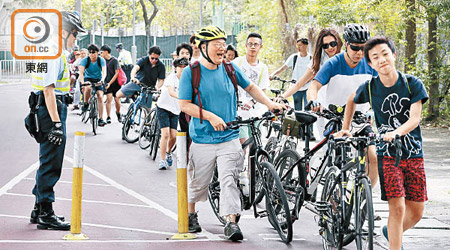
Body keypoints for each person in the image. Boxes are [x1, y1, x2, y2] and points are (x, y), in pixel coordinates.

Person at [178, 26, 284, 241]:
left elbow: (252, 88)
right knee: (199, 183)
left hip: (229, 136)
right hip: (203, 138)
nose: (222, 48)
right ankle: (191, 214)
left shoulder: (230, 68)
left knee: (230, 180)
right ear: (203, 47)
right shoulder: (192, 71)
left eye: (223, 44)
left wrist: (270, 103)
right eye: (217, 44)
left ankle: (231, 222)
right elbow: (184, 105)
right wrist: (209, 116)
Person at [335, 36, 428, 250]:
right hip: (387, 154)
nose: (381, 60)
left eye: (385, 54)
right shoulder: (369, 87)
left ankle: (389, 232)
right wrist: (346, 127)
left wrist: (397, 132)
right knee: (397, 207)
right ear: (370, 63)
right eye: (375, 57)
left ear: (393, 56)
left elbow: (415, 118)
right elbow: (351, 99)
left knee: (416, 212)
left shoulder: (412, 83)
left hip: (414, 153)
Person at [28, 11, 86, 230]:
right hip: (49, 110)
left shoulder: (51, 50)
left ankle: (38, 208)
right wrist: (57, 124)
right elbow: (48, 90)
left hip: (45, 108)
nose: (75, 40)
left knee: (47, 159)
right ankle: (46, 212)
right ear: (63, 32)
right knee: (51, 162)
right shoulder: (52, 52)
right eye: (74, 35)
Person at [307, 23, 379, 187]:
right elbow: (314, 86)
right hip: (336, 119)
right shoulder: (334, 63)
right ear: (346, 44)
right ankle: (334, 201)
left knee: (373, 158)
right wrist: (313, 100)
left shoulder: (370, 64)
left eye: (364, 48)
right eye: (355, 48)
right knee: (338, 163)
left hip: (360, 121)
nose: (360, 53)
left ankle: (362, 201)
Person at [280, 28, 343, 140]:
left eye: (333, 44)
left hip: (343, 108)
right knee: (327, 145)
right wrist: (282, 97)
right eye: (325, 46)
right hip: (322, 108)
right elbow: (300, 83)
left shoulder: (346, 58)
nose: (330, 48)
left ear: (338, 42)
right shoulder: (318, 62)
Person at [232, 32, 269, 148]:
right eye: (250, 44)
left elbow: (263, 90)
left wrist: (252, 102)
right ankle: (240, 166)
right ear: (246, 46)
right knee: (242, 144)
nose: (253, 47)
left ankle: (252, 166)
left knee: (255, 145)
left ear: (260, 47)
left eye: (256, 44)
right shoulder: (236, 63)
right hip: (238, 111)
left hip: (256, 112)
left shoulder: (263, 68)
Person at [157, 58, 189, 170]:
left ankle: (168, 152)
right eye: (180, 67)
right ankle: (162, 160)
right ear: (176, 68)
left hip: (175, 110)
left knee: (174, 136)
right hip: (163, 107)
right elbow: (171, 92)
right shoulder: (171, 78)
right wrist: (184, 98)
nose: (183, 69)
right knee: (165, 134)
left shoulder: (188, 81)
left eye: (185, 67)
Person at [116, 46, 165, 110]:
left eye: (156, 59)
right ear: (149, 55)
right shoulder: (143, 60)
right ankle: (132, 96)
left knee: (147, 112)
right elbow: (135, 68)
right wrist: (133, 77)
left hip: (148, 88)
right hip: (137, 83)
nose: (154, 60)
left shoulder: (161, 66)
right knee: (118, 95)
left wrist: (157, 87)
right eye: (152, 58)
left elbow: (161, 80)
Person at [270, 37, 311, 111]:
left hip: (307, 87)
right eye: (297, 45)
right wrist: (273, 74)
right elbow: (283, 68)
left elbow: (314, 73)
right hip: (295, 87)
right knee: (297, 110)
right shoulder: (294, 57)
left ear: (306, 45)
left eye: (300, 45)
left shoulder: (311, 58)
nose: (298, 47)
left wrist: (306, 81)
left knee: (307, 109)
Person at [78, 44, 107, 127]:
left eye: (93, 52)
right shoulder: (85, 60)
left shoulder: (101, 60)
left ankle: (101, 118)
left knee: (100, 96)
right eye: (90, 52)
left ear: (97, 53)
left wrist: (102, 80)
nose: (91, 54)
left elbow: (104, 71)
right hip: (88, 78)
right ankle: (86, 103)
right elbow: (81, 73)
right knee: (87, 88)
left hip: (98, 79)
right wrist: (83, 82)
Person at [100, 45, 122, 123]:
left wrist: (110, 83)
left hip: (115, 83)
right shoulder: (102, 60)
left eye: (101, 52)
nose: (100, 53)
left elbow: (116, 73)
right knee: (109, 99)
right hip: (106, 83)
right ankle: (108, 117)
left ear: (106, 52)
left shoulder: (114, 60)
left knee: (117, 100)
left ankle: (118, 113)